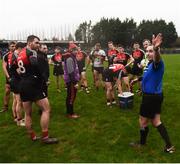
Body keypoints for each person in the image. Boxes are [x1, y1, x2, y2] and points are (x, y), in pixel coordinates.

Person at [130, 33, 175, 153]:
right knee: (156, 121)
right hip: (156, 96)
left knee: (142, 121)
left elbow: (157, 58)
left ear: (156, 51)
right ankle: (169, 146)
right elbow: (147, 76)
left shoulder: (157, 63)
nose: (149, 53)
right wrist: (137, 79)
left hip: (150, 98)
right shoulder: (150, 64)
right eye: (147, 51)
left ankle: (142, 143)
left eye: (151, 51)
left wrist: (156, 49)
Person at [17, 35, 58, 144]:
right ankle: (45, 137)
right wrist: (44, 80)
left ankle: (33, 136)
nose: (38, 45)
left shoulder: (20, 53)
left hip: (23, 84)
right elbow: (37, 68)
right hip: (32, 85)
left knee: (28, 113)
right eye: (36, 43)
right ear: (30, 43)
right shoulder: (31, 53)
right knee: (46, 109)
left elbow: (19, 70)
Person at [9, 42, 25, 126]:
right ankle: (19, 120)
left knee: (15, 101)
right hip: (16, 81)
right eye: (23, 49)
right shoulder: (16, 57)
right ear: (19, 48)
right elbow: (19, 71)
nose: (23, 51)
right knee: (19, 102)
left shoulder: (13, 55)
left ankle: (15, 117)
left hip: (13, 80)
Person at [64, 43, 80, 118]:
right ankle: (70, 113)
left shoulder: (72, 57)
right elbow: (71, 72)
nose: (76, 51)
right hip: (71, 81)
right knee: (71, 97)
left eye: (76, 50)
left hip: (72, 80)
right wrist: (75, 83)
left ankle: (70, 112)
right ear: (71, 50)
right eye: (74, 50)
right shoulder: (70, 58)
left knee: (71, 96)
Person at [0, 41, 16, 113]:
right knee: (7, 91)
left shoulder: (18, 54)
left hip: (18, 77)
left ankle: (18, 107)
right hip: (10, 76)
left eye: (14, 46)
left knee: (17, 93)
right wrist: (8, 77)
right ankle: (5, 107)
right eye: (12, 46)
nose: (14, 47)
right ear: (9, 47)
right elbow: (4, 67)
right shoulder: (6, 56)